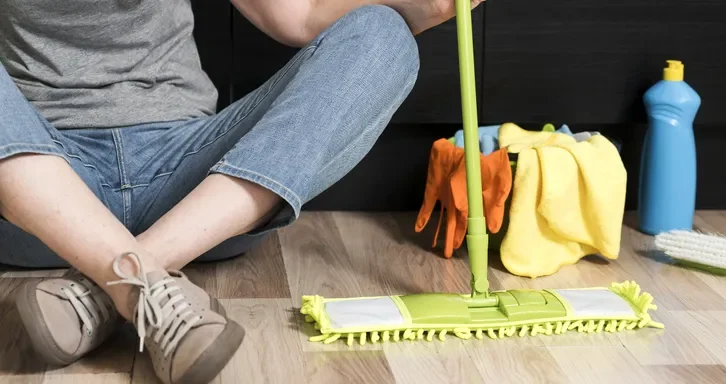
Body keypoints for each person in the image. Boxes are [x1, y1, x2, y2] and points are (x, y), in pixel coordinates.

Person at [0, 1, 482, 383]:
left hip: (196, 186)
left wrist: (428, 6)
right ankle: (141, 281)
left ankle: (116, 281)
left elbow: (298, 14)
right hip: (41, 185)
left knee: (383, 35)